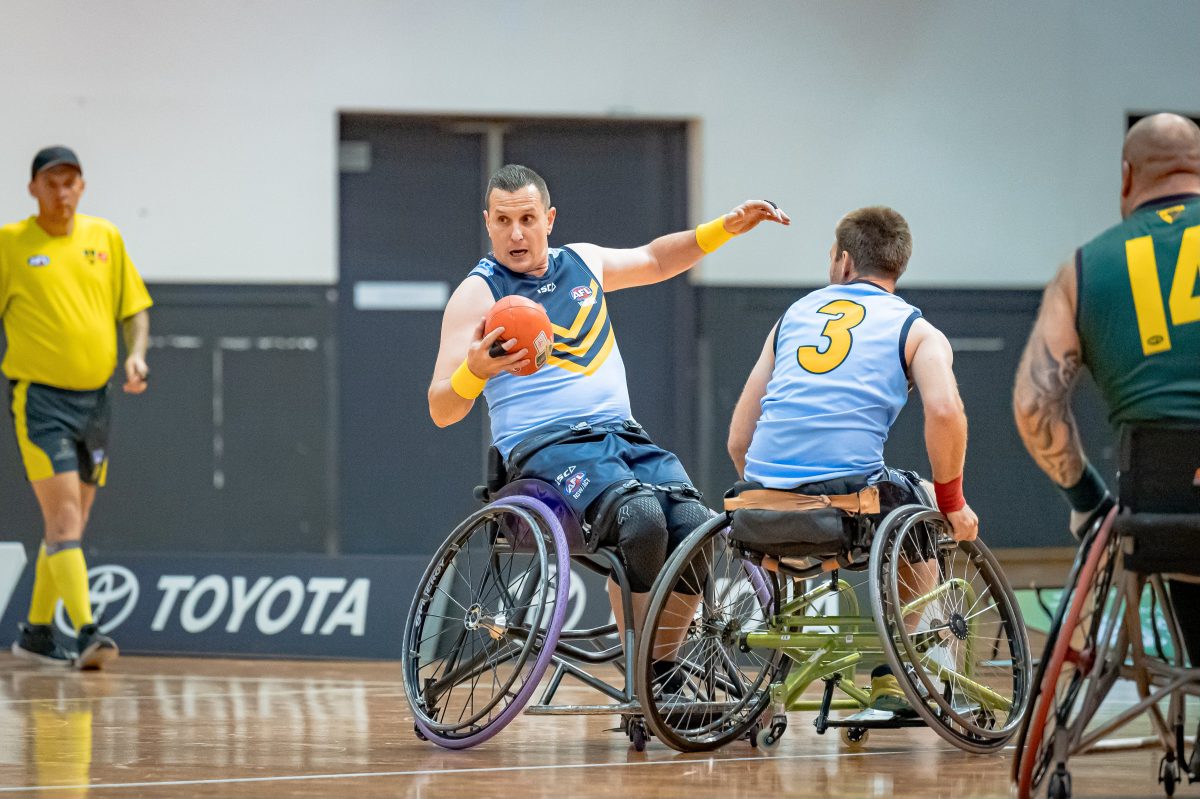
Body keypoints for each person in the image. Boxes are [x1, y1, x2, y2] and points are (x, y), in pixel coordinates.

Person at [429, 163, 788, 686]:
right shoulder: (478, 296)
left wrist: (723, 228)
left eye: (527, 218)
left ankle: (657, 665)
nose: (516, 233)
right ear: (488, 223)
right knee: (641, 518)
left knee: (695, 526)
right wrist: (473, 371)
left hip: (622, 439)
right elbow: (442, 408)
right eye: (503, 220)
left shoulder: (583, 262)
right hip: (545, 451)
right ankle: (642, 669)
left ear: (548, 219)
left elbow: (656, 258)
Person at [727, 205, 978, 711]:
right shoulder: (917, 330)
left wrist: (776, 496)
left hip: (754, 508)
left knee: (892, 495)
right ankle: (905, 666)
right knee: (923, 503)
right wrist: (953, 501)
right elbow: (946, 410)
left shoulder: (791, 318)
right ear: (898, 266)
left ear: (842, 262)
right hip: (848, 508)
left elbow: (739, 440)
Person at [1013, 112, 1200, 656]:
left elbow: (1033, 405)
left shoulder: (1083, 268)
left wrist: (1087, 499)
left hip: (1162, 510)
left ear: (1126, 177)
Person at [1, 146, 153, 670]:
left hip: (96, 401)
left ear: (82, 187)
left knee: (70, 523)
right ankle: (86, 632)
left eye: (71, 182)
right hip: (40, 400)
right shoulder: (11, 245)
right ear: (33, 189)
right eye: (51, 183)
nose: (62, 193)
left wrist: (136, 356)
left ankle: (37, 634)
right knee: (65, 518)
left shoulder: (104, 238)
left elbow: (134, 309)